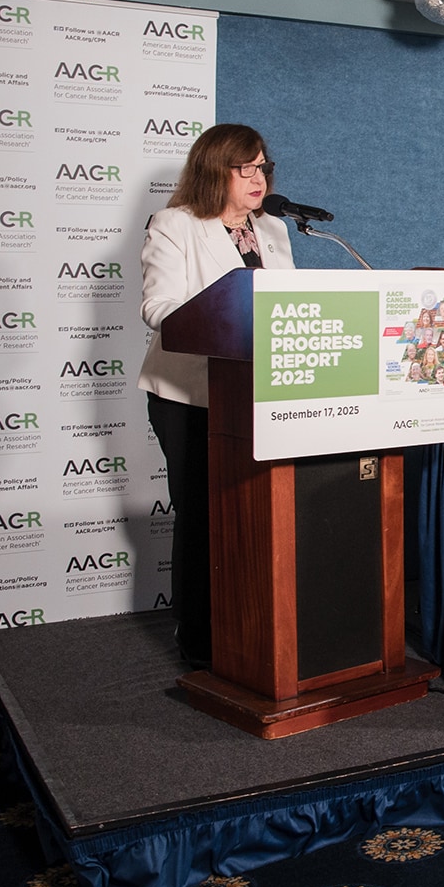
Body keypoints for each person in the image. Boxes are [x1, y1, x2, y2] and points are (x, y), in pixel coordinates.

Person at [137, 124, 295, 665]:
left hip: (260, 396)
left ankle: (250, 624)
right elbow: (157, 307)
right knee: (203, 512)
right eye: (245, 168)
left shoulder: (273, 229)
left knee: (254, 511)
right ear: (214, 169)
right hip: (189, 395)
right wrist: (217, 321)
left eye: (263, 167)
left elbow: (288, 304)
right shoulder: (176, 224)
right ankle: (200, 638)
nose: (258, 178)